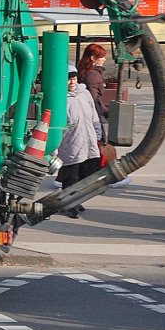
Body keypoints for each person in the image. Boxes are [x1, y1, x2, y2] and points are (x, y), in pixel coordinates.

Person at [56, 64, 103, 218]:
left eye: (74, 78)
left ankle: (77, 199)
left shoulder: (84, 93)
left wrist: (97, 133)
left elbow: (93, 115)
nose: (72, 82)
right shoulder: (60, 98)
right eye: (68, 79)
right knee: (71, 176)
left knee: (87, 172)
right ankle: (68, 204)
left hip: (88, 140)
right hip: (71, 143)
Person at [77, 43, 109, 131]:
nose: (104, 59)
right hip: (93, 113)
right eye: (102, 57)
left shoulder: (83, 70)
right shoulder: (93, 74)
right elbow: (94, 97)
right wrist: (105, 111)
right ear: (93, 58)